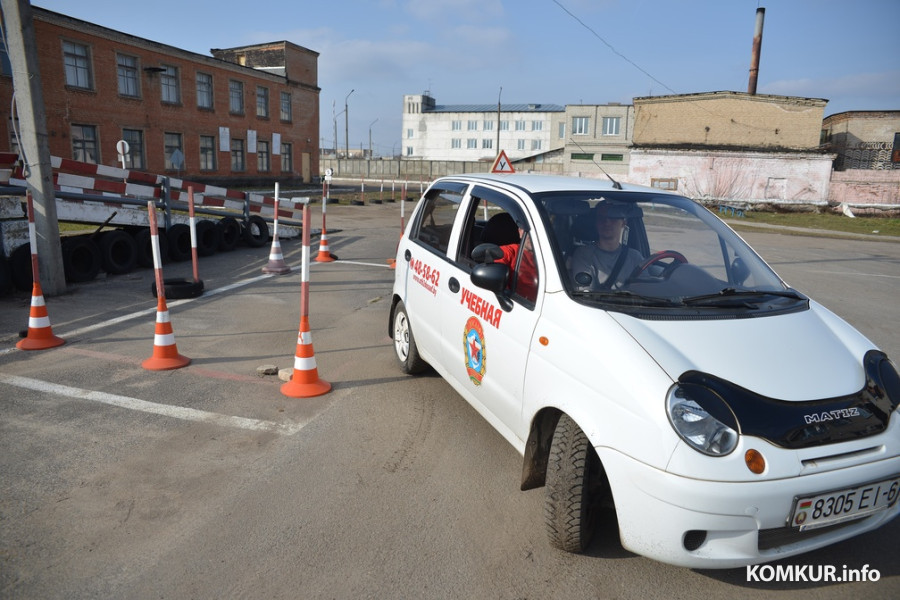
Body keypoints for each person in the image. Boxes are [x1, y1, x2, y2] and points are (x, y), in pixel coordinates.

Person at [569, 201, 643, 291]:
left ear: (624, 222)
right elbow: (586, 294)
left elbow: (647, 289)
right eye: (601, 218)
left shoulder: (635, 257)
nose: (607, 222)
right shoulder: (584, 254)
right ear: (596, 223)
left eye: (613, 217)